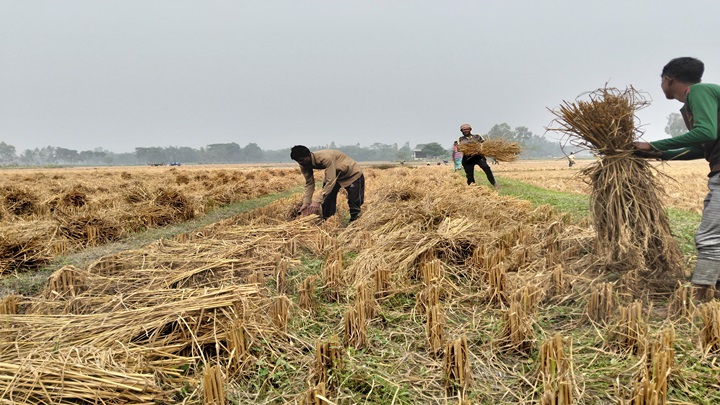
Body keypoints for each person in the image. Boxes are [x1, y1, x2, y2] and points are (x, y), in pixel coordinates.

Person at [634, 57, 720, 302]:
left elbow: (705, 132)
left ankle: (700, 295)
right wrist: (661, 154)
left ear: (667, 79)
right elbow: (704, 148)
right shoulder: (705, 96)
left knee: (710, 235)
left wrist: (653, 143)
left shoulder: (698, 92)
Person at [290, 145, 365, 222]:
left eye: (302, 160)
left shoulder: (325, 158)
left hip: (352, 175)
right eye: (298, 161)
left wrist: (317, 201)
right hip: (334, 175)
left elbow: (331, 181)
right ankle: (328, 221)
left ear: (308, 155)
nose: (300, 163)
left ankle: (355, 222)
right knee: (327, 199)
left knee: (354, 201)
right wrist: (306, 202)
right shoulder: (303, 164)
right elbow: (309, 183)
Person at [457, 123, 497, 188]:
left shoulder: (477, 137)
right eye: (463, 130)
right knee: (469, 175)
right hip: (467, 159)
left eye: (467, 129)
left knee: (487, 168)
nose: (465, 131)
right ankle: (473, 187)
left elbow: (484, 145)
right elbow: (459, 148)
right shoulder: (461, 139)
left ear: (470, 129)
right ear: (461, 131)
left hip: (478, 157)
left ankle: (494, 183)